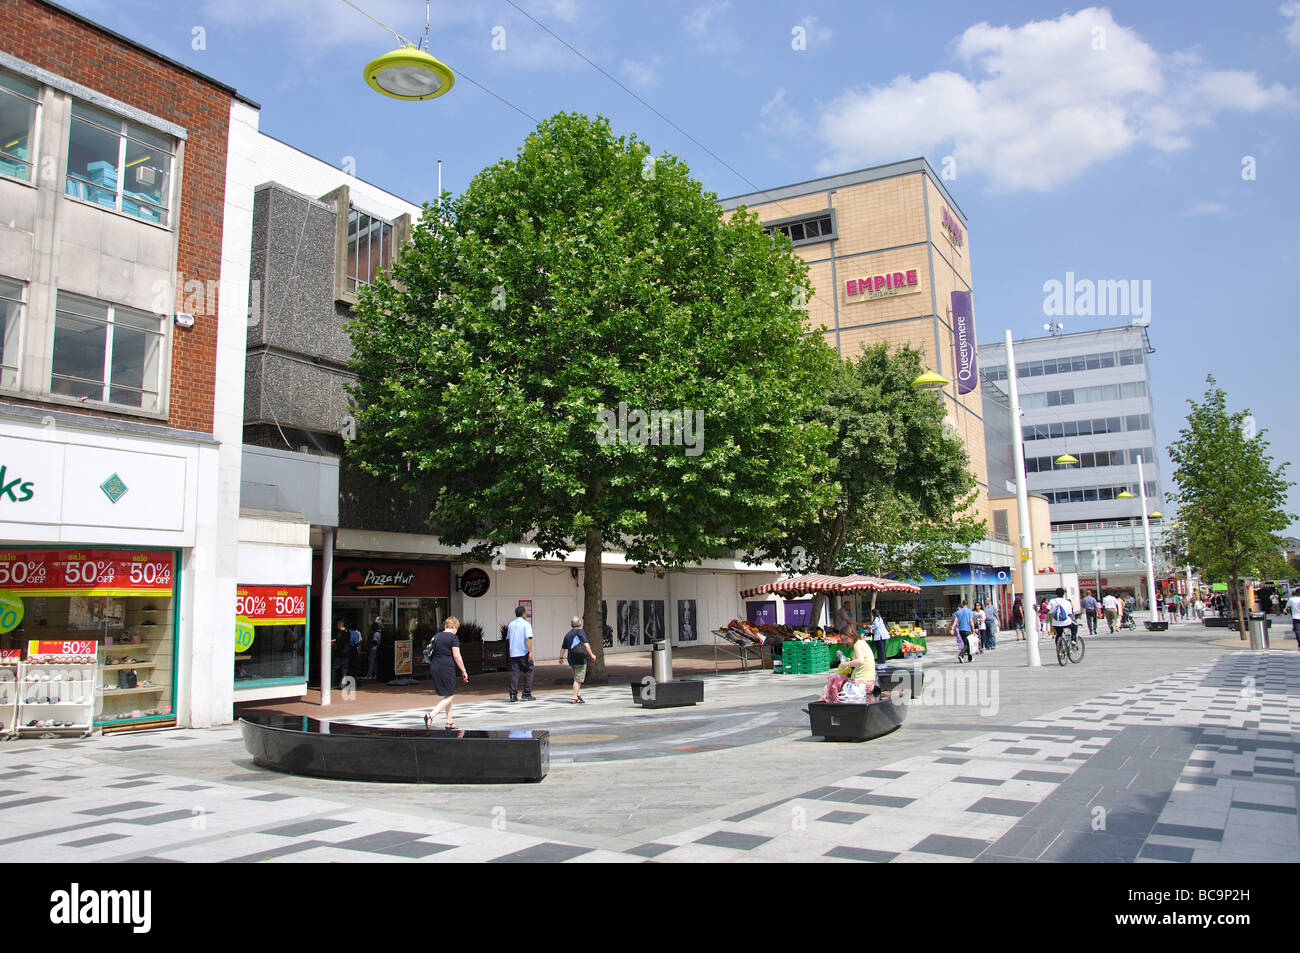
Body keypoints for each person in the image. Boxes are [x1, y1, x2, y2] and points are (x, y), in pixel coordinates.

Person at [423, 617, 469, 729]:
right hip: (446, 667)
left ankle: (449, 721)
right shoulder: (453, 638)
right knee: (451, 694)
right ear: (453, 627)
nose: (456, 630)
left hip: (435, 666)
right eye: (456, 628)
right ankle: (431, 715)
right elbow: (457, 656)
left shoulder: (437, 636)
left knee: (447, 693)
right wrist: (464, 670)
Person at [558, 616, 596, 703]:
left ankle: (578, 695)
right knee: (578, 680)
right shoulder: (580, 632)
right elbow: (586, 645)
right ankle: (574, 697)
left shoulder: (567, 634)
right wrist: (592, 655)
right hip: (580, 659)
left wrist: (560, 657)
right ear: (579, 624)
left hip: (571, 660)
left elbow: (563, 648)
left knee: (576, 677)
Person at [506, 605, 535, 702]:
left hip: (514, 652)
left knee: (515, 673)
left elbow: (509, 639)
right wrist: (530, 651)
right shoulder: (526, 624)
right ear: (523, 613)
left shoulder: (511, 624)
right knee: (529, 670)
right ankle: (526, 693)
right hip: (523, 652)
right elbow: (528, 638)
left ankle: (513, 694)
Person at [331, 619, 351, 687]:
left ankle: (331, 684)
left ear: (339, 626)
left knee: (334, 668)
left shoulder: (339, 633)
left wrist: (333, 642)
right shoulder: (348, 633)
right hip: (346, 654)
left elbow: (337, 642)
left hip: (339, 654)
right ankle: (342, 685)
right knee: (344, 670)